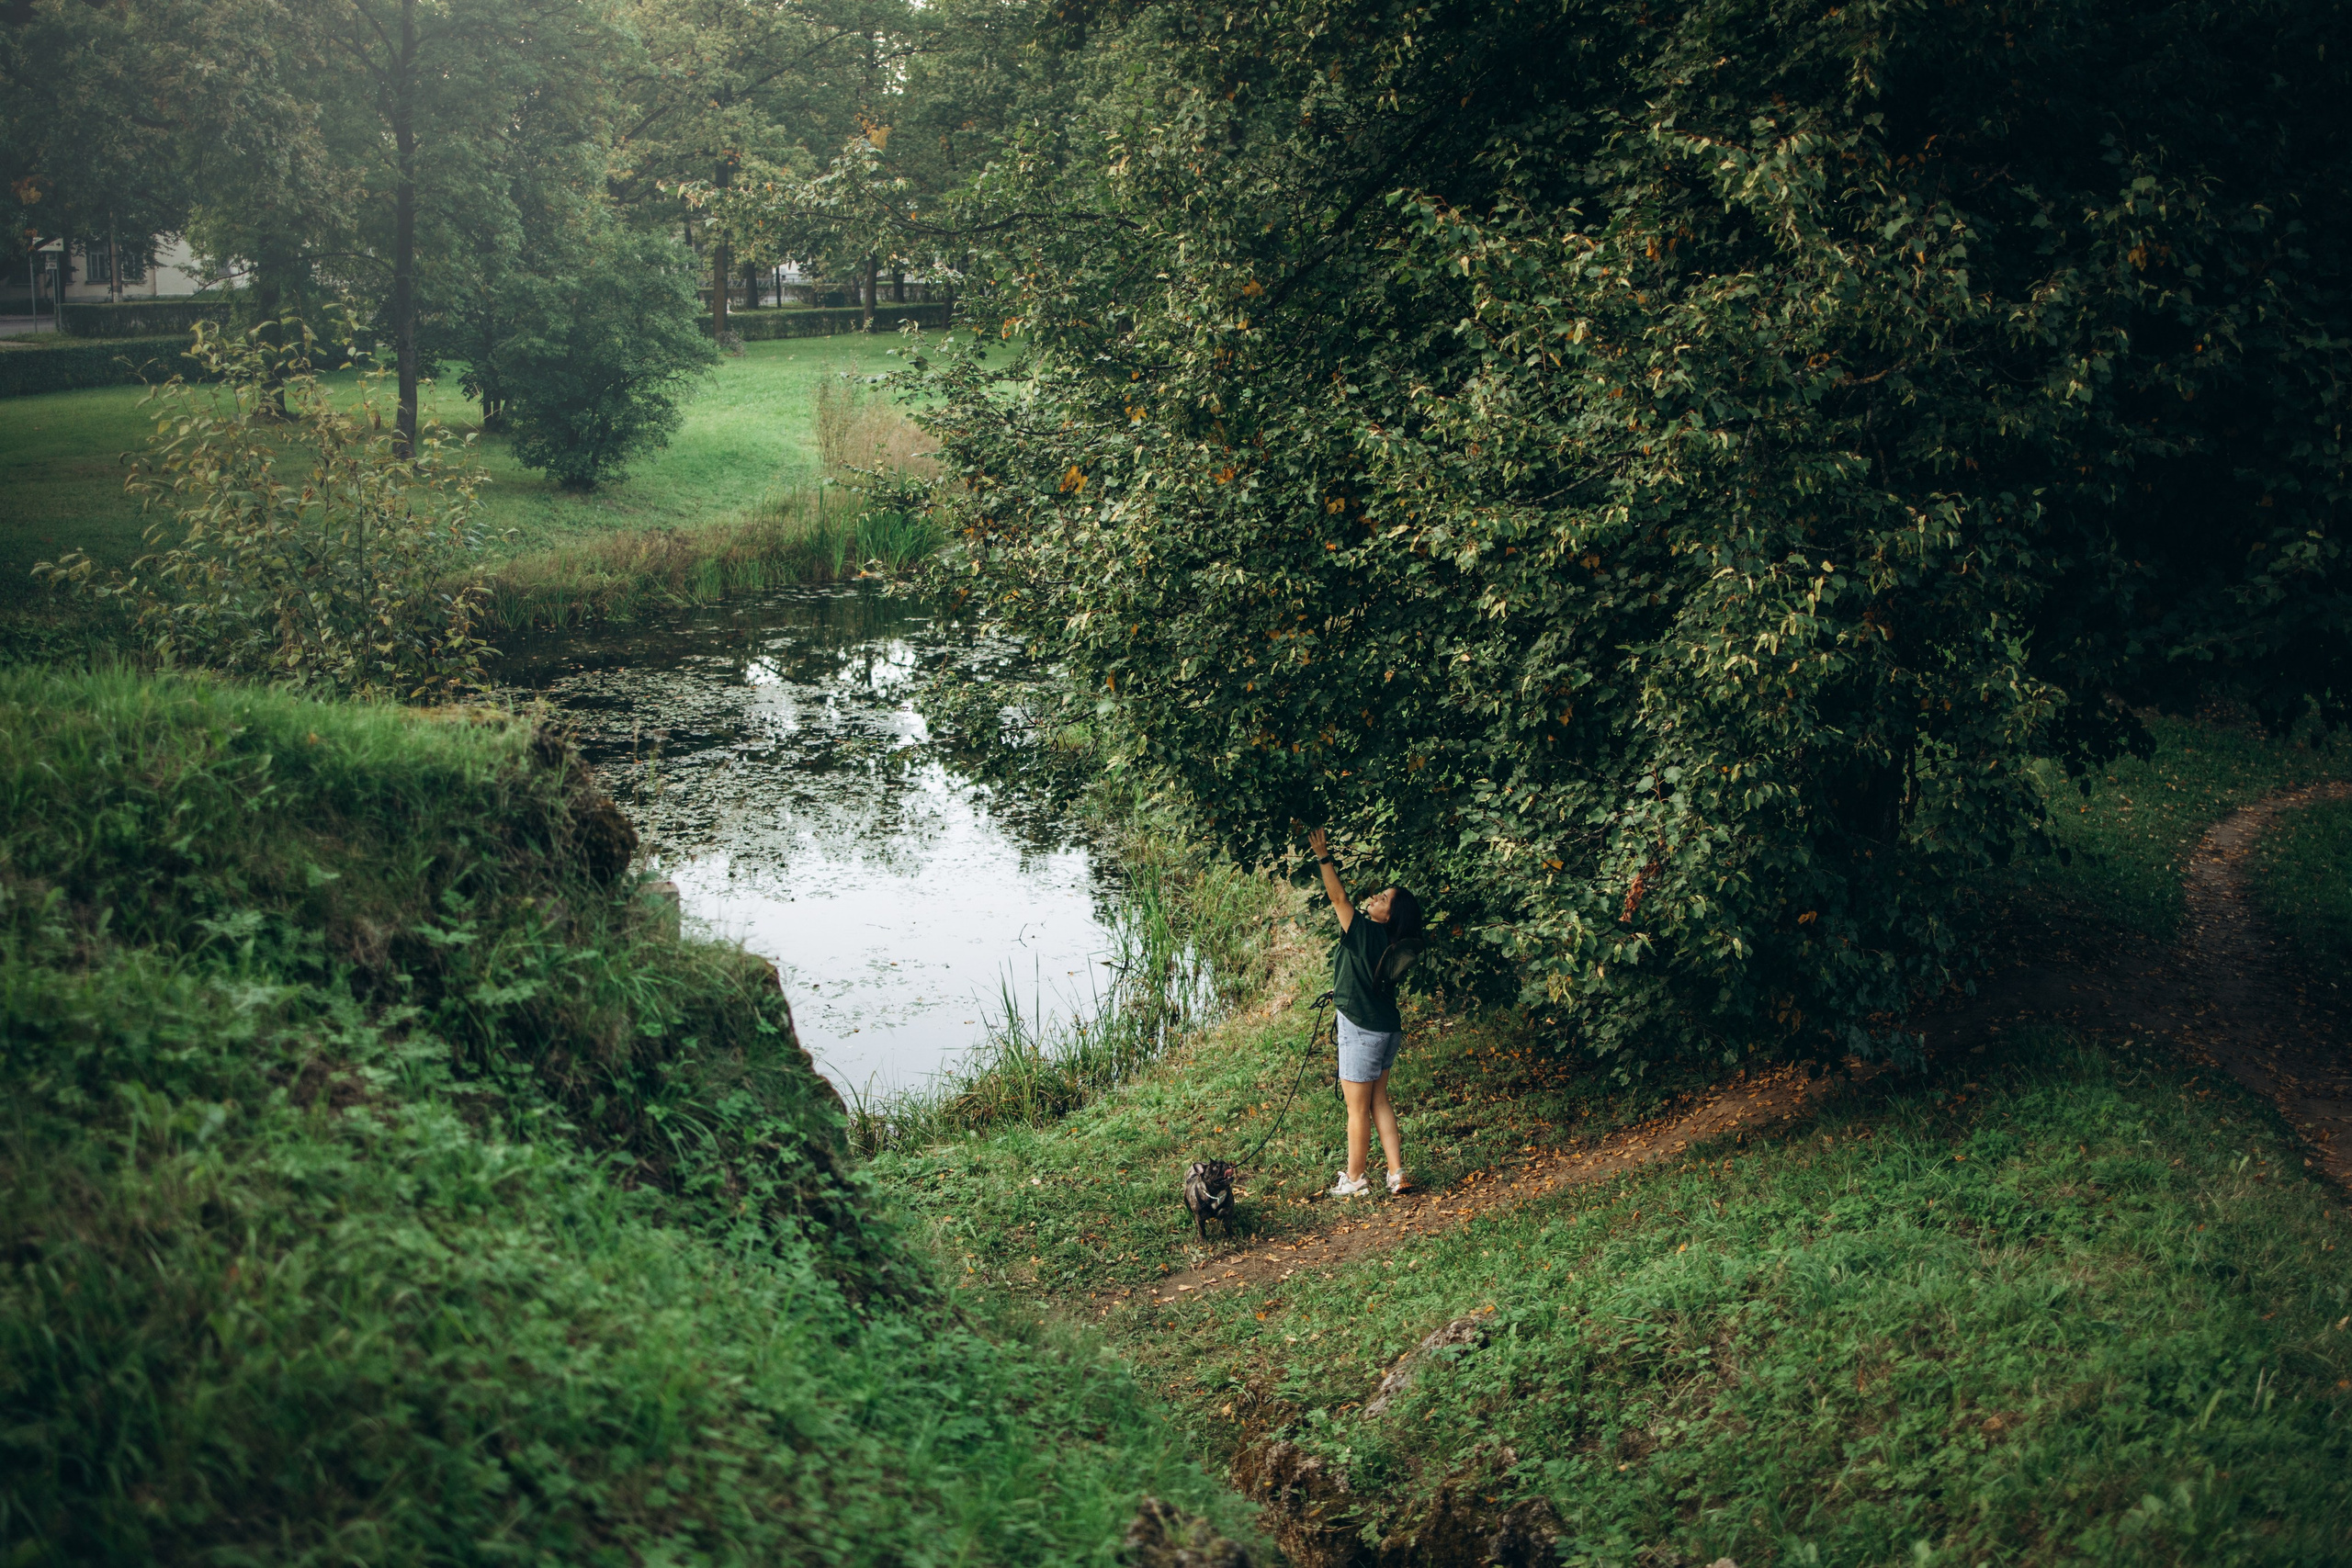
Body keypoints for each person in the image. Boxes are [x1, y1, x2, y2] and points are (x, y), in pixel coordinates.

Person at [1309, 826, 1425, 1198]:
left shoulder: (1363, 931)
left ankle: (1356, 1180)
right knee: (1379, 1100)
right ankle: (1396, 1174)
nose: (1375, 897)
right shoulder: (1393, 944)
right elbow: (1364, 975)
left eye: (1384, 898)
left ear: (1388, 916)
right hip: (1388, 1028)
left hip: (1362, 1029)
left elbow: (1338, 896)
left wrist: (1324, 856)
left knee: (1356, 1109)